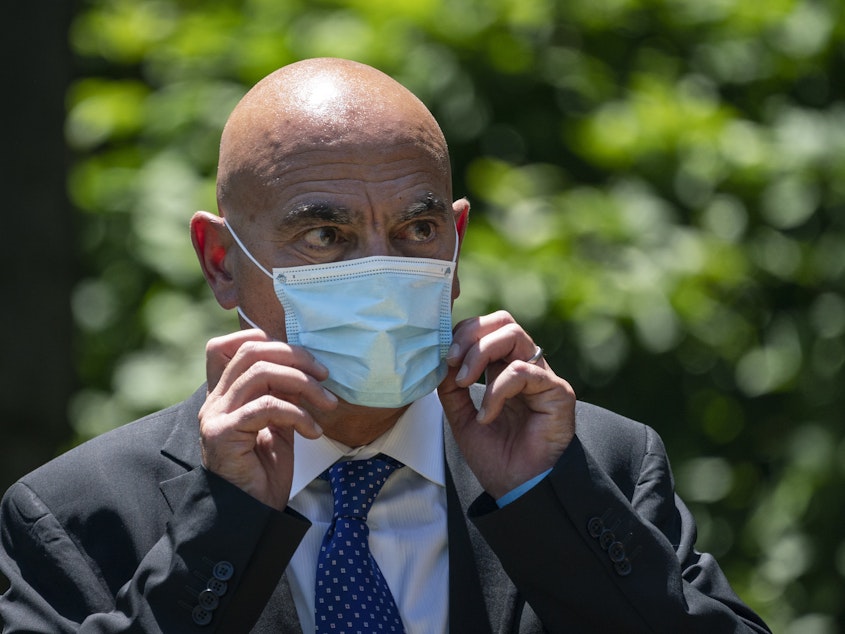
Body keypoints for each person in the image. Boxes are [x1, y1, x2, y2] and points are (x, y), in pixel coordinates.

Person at [0, 57, 769, 633]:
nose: (382, 268)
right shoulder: (75, 514)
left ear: (456, 244)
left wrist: (547, 506)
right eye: (326, 234)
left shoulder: (599, 463)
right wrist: (222, 526)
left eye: (418, 228)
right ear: (222, 263)